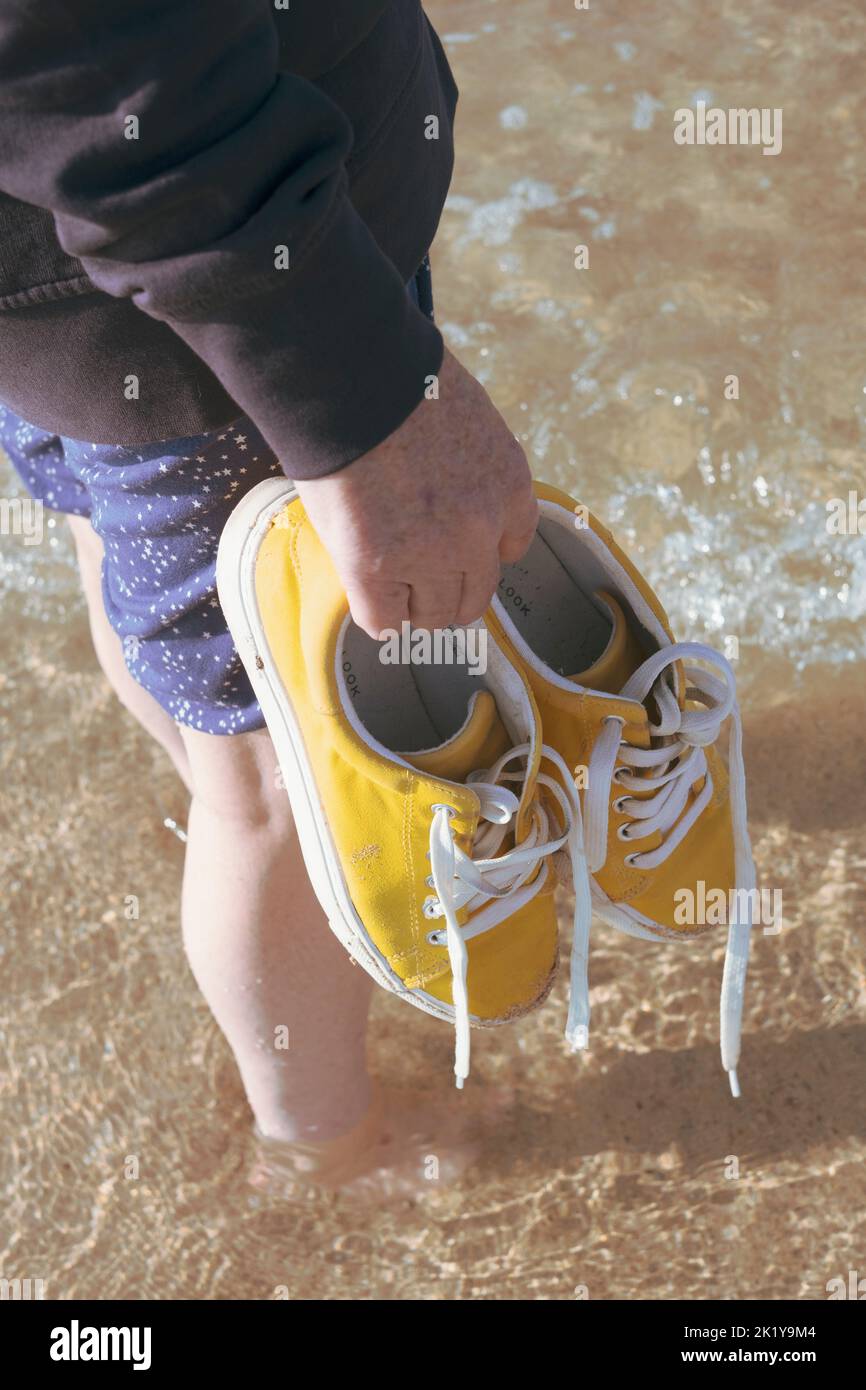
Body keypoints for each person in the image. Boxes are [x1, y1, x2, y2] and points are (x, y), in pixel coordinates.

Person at [0, 1, 538, 1186]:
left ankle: (220, 829)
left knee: (138, 576)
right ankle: (324, 1145)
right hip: (208, 318)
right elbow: (88, 56)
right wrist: (352, 386)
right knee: (289, 777)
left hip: (71, 298)